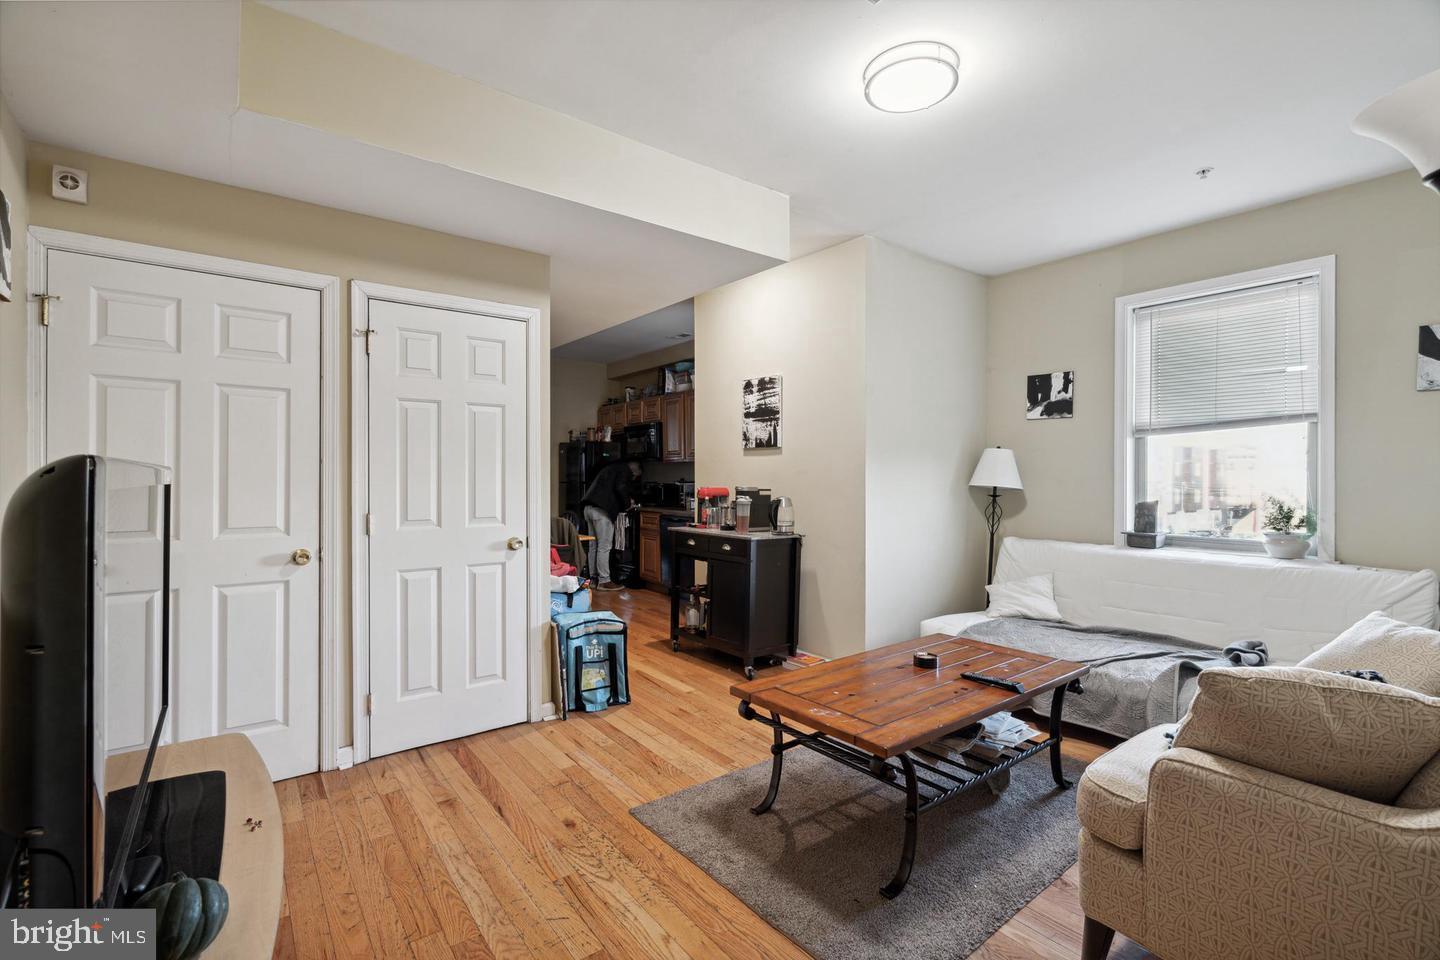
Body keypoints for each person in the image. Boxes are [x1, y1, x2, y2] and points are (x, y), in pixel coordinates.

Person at [582, 459, 641, 591]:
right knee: (604, 546)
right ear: (635, 469)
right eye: (635, 476)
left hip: (588, 508)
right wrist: (628, 504)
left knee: (593, 546)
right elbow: (620, 487)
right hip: (601, 511)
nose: (634, 478)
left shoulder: (611, 468)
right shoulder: (624, 470)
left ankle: (593, 579)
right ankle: (604, 581)